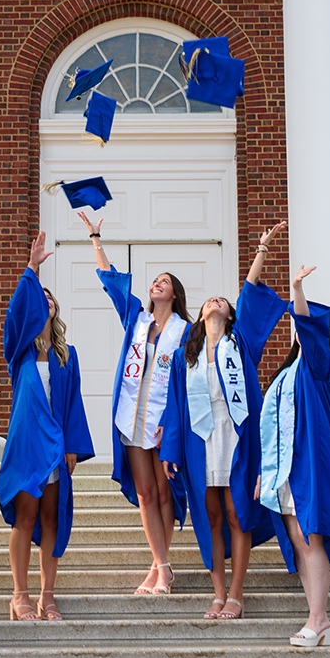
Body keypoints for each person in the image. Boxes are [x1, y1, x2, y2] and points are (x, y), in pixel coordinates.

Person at [159, 220, 289, 619]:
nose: (215, 300)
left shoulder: (241, 346)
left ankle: (236, 593)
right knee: (210, 515)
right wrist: (169, 448)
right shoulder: (187, 356)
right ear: (198, 316)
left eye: (222, 300)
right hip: (201, 442)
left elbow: (249, 296)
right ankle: (217, 593)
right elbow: (175, 406)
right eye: (209, 300)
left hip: (235, 440)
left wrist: (262, 250)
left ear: (230, 315)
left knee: (236, 513)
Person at [255, 262, 330, 648]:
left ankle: (318, 618)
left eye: (306, 330)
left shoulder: (319, 368)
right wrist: (264, 474)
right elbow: (273, 430)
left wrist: (297, 289)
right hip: (283, 469)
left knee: (309, 537)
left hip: (310, 466)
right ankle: (318, 618)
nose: (301, 334)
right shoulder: (285, 375)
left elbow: (310, 326)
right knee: (298, 541)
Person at [81, 211, 190, 595]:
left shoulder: (185, 332)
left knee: (164, 493)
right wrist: (96, 238)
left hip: (163, 422)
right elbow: (112, 283)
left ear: (174, 294)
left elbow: (186, 382)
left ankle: (159, 568)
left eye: (163, 281)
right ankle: (161, 566)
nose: (156, 283)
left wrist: (174, 424)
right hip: (132, 418)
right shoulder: (138, 320)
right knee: (145, 493)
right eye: (154, 281)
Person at [0, 230, 95, 621]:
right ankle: (19, 595)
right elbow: (17, 311)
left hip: (55, 446)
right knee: (26, 516)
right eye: (40, 296)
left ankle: (47, 596)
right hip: (26, 445)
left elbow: (72, 405)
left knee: (52, 516)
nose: (45, 301)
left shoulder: (66, 355)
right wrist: (33, 268)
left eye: (50, 298)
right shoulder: (19, 351)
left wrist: (72, 445)